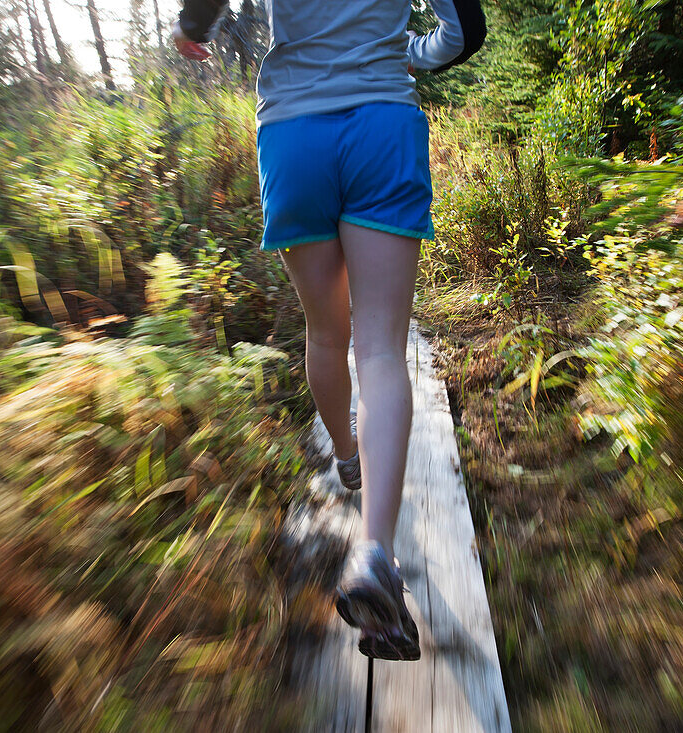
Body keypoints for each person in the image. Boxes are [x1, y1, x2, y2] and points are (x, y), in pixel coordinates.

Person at [173, 0, 485, 661]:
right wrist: (411, 54)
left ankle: (348, 457)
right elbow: (465, 30)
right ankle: (374, 552)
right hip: (381, 123)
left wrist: (192, 28)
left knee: (324, 332)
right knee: (378, 346)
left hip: (293, 131)